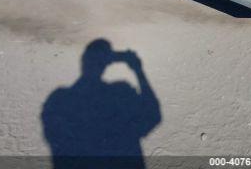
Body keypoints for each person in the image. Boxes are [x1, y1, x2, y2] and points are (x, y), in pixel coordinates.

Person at [41, 39, 161, 169]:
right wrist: (138, 70)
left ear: (83, 61)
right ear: (108, 62)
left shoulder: (58, 101)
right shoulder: (120, 94)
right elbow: (153, 115)